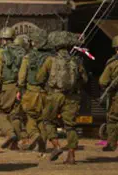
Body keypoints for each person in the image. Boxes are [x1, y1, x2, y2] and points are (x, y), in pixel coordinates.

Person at [36, 31, 88, 164]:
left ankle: (56, 146)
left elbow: (39, 78)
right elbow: (84, 79)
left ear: (56, 47)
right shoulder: (76, 61)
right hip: (71, 97)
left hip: (54, 95)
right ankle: (71, 156)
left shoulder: (50, 60)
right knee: (70, 126)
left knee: (47, 121)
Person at [17, 30, 52, 152]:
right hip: (46, 93)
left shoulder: (28, 57)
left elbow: (21, 78)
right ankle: (42, 145)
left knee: (29, 117)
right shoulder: (51, 57)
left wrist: (21, 87)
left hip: (31, 92)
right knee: (43, 119)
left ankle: (34, 135)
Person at [0, 27, 24, 149]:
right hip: (19, 87)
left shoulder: (0, 52)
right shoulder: (22, 51)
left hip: (5, 87)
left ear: (3, 40)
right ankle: (15, 144)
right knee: (15, 115)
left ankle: (10, 134)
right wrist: (20, 88)